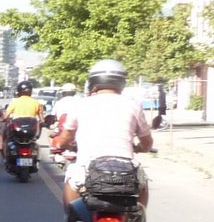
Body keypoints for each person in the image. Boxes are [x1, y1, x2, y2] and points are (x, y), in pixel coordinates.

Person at [51, 59, 153, 207]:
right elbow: (147, 143)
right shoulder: (133, 105)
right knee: (143, 184)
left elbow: (65, 138)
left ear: (94, 82)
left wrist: (65, 144)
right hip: (125, 169)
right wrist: (141, 148)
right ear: (121, 82)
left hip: (87, 167)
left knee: (71, 182)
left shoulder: (81, 104)